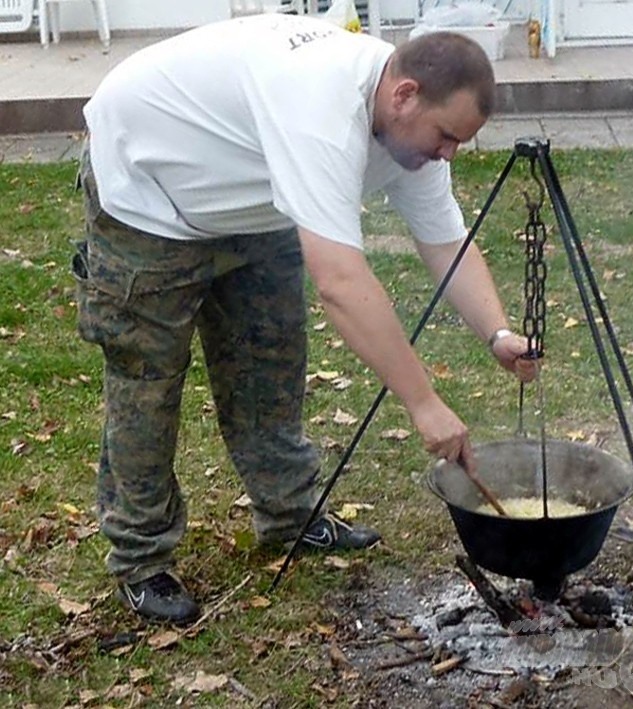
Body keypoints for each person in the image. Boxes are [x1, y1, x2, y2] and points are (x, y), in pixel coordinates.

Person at [73, 12, 537, 626]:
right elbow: (341, 282)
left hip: (253, 202)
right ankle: (139, 559)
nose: (449, 153)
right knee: (148, 384)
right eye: (446, 136)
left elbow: (446, 241)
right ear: (404, 96)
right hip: (150, 194)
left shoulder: (406, 130)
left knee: (271, 359)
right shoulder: (320, 110)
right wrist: (424, 403)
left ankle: (291, 515)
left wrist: (498, 334)